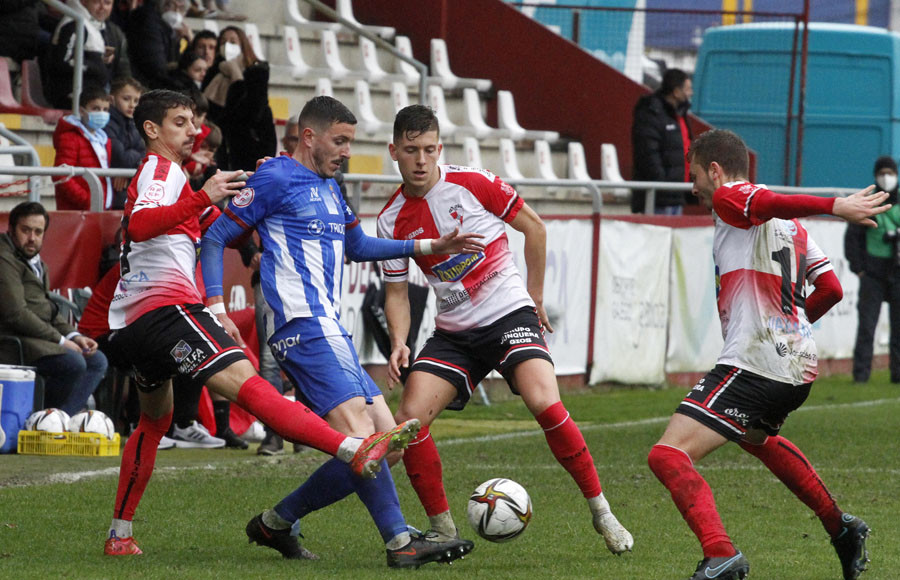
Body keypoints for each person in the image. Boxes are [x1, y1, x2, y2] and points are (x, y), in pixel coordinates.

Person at [102, 89, 421, 557]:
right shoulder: (160, 168)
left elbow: (188, 229)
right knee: (254, 387)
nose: (195, 131)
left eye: (194, 121)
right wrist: (213, 295)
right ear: (152, 130)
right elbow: (143, 225)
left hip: (135, 320)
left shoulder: (182, 177)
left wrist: (216, 200)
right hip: (168, 312)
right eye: (181, 122)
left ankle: (120, 534)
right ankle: (357, 462)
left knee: (155, 420)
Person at [200, 96, 484, 568]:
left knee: (389, 442)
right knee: (361, 435)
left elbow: (356, 244)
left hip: (330, 326)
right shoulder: (274, 177)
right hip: (300, 324)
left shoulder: (330, 186)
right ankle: (400, 543)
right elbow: (213, 236)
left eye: (350, 141)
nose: (347, 151)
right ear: (308, 137)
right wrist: (214, 305)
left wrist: (430, 244)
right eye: (340, 140)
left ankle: (276, 521)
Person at [377, 105, 633, 554]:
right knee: (408, 422)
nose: (421, 160)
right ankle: (445, 533)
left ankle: (601, 512)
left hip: (508, 314)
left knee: (544, 402)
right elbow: (396, 292)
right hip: (455, 333)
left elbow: (533, 227)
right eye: (411, 150)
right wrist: (399, 341)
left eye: (429, 149)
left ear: (441, 149)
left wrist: (533, 297)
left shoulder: (473, 184)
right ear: (393, 150)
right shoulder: (389, 218)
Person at [647, 129, 880, 580]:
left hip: (756, 362)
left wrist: (835, 205)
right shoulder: (793, 228)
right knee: (757, 439)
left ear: (715, 170)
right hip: (798, 365)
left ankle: (721, 554)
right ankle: (841, 528)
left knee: (667, 455)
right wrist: (791, 329)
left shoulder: (730, 196)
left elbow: (760, 202)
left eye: (694, 175)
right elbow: (829, 290)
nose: (693, 187)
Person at [0, 202, 108, 415]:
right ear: (11, 229)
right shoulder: (4, 258)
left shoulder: (37, 262)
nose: (32, 237)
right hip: (11, 340)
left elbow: (47, 309)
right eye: (26, 230)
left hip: (35, 338)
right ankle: (44, 419)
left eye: (38, 232)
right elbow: (16, 314)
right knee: (73, 362)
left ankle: (60, 419)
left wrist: (74, 336)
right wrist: (60, 341)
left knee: (97, 360)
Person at [845, 155, 900, 383]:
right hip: (872, 273)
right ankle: (861, 375)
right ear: (876, 176)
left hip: (897, 272)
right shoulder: (867, 202)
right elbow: (853, 238)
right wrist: (859, 268)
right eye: (882, 173)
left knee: (898, 329)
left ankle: (897, 376)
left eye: (890, 172)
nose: (886, 177)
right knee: (867, 326)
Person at [631, 68, 693, 214]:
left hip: (677, 194)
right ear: (676, 92)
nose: (691, 93)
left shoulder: (680, 115)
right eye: (688, 89)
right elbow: (648, 155)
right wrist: (662, 183)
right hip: (658, 197)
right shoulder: (650, 113)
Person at [52, 85, 114, 210]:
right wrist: (88, 201)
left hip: (101, 208)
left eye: (105, 109)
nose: (101, 113)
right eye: (96, 108)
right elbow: (61, 175)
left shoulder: (104, 139)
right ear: (81, 111)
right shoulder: (70, 138)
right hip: (78, 210)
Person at [43, 0, 111, 109]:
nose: (102, 7)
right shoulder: (75, 24)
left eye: (107, 3)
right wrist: (94, 67)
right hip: (70, 96)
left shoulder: (94, 26)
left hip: (91, 96)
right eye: (97, 2)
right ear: (84, 2)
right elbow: (62, 61)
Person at [105, 77, 145, 209]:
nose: (132, 105)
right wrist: (123, 168)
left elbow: (145, 152)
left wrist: (125, 171)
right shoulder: (107, 123)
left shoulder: (135, 124)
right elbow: (120, 156)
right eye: (126, 99)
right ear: (112, 99)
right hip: (112, 187)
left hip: (126, 183)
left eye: (136, 101)